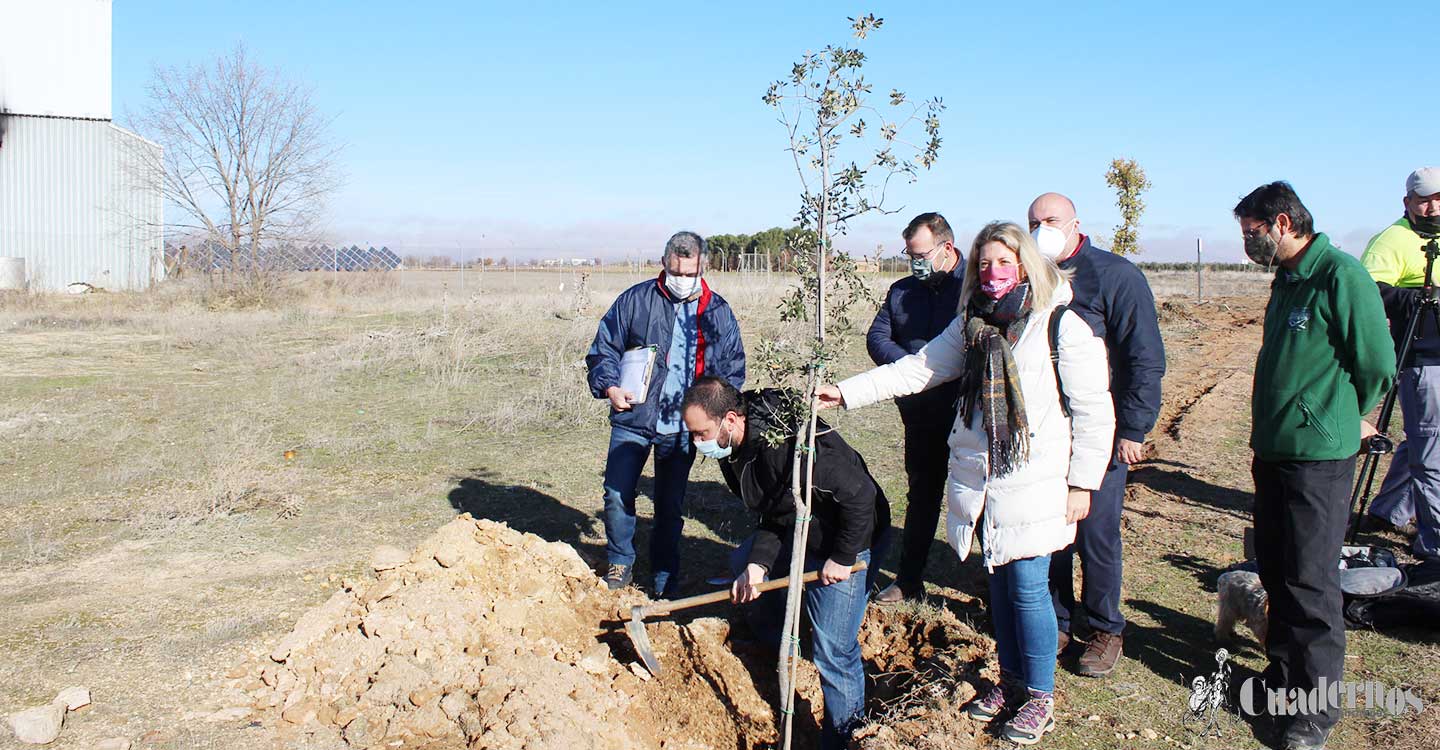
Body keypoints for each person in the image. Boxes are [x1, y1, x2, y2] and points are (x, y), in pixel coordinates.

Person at [817, 221, 1115, 746]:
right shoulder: (973, 326)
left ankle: (1039, 697)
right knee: (999, 586)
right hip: (985, 481)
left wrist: (1082, 484)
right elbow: (916, 370)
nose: (993, 273)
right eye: (985, 265)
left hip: (1038, 478)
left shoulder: (1060, 325)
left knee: (1027, 589)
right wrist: (843, 394)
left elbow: (1095, 412)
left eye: (1004, 262)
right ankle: (1011, 681)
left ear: (1025, 265)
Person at [1236, 182, 1393, 750]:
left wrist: (1346, 417)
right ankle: (1281, 679)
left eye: (1251, 232)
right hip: (1273, 451)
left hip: (1318, 458)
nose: (1247, 244)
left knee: (1311, 581)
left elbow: (1375, 361)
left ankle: (1315, 709)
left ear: (1281, 223)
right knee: (1276, 570)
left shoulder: (1339, 275)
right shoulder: (1287, 279)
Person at [681, 376, 888, 750]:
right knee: (744, 562)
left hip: (848, 539)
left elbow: (861, 497)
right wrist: (759, 565)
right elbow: (776, 512)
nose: (698, 444)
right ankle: (780, 651)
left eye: (702, 433)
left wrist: (841, 558)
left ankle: (845, 738)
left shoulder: (796, 449)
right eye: (693, 435)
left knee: (834, 649)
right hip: (803, 528)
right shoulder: (737, 450)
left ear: (730, 419)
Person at [1027, 192, 1166, 676]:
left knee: (1097, 531)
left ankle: (1105, 627)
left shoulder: (1115, 275)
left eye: (1051, 220)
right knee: (1053, 528)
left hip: (1099, 428)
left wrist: (1133, 427)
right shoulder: (1033, 276)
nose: (1042, 228)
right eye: (1034, 221)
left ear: (1075, 224)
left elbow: (1143, 356)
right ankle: (1059, 619)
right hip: (1046, 431)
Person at [584, 231, 746, 597]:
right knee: (616, 492)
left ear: (703, 266)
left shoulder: (718, 312)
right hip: (634, 419)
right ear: (663, 263)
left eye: (689, 273)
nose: (682, 280)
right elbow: (603, 350)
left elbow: (733, 372)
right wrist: (610, 386)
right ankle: (620, 561)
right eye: (676, 272)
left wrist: (714, 416)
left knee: (669, 507)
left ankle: (664, 576)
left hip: (681, 428)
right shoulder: (635, 301)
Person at [867, 212, 965, 603]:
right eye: (910, 255)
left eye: (921, 254)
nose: (915, 263)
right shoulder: (901, 291)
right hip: (920, 414)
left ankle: (993, 587)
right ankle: (909, 580)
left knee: (981, 497)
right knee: (921, 494)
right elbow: (877, 337)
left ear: (947, 249)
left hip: (966, 413)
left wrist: (936, 368)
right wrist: (914, 367)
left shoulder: (974, 290)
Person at [1360, 167, 1440, 556]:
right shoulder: (1393, 240)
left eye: (1439, 197)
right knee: (1431, 449)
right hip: (1423, 358)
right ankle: (1434, 541)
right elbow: (1367, 292)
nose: (1433, 205)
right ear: (1407, 201)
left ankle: (1390, 511)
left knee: (1424, 440)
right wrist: (1420, 301)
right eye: (1424, 198)